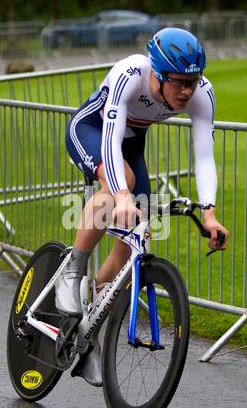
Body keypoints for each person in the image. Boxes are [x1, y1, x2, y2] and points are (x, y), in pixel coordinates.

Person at [55, 27, 229, 385]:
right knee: (125, 186)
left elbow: (205, 156)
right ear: (158, 74)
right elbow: (111, 138)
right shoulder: (130, 73)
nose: (187, 91)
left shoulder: (201, 94)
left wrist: (209, 213)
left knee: (137, 232)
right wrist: (119, 194)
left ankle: (89, 333)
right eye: (179, 82)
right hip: (93, 130)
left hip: (132, 146)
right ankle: (73, 269)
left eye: (193, 82)